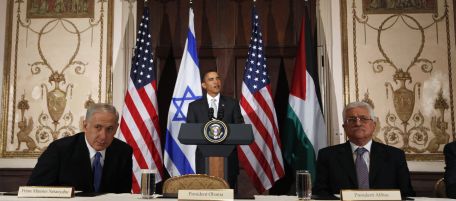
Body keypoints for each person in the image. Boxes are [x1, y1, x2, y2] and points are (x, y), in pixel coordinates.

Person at [313, 101, 415, 198]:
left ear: (374, 125)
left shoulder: (395, 156)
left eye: (363, 118)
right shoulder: (327, 156)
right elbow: (320, 193)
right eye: (352, 119)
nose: (358, 123)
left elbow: (406, 193)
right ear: (344, 127)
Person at [28, 103, 133, 193]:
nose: (103, 136)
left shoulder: (123, 152)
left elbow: (123, 194)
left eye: (110, 129)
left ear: (116, 128)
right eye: (98, 127)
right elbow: (34, 190)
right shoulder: (59, 150)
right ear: (85, 125)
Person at [186, 70, 244, 189]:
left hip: (229, 159)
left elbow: (240, 128)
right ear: (204, 85)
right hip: (204, 159)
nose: (216, 82)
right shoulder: (194, 106)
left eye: (217, 78)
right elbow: (190, 130)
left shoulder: (232, 103)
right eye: (211, 79)